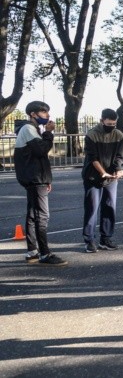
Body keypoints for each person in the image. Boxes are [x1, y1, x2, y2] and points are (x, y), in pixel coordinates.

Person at [14, 101, 67, 266]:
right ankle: (45, 253)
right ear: (33, 114)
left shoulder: (31, 129)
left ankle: (32, 252)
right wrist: (49, 133)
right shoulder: (28, 129)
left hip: (36, 178)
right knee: (42, 216)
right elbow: (41, 150)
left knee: (32, 215)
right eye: (44, 113)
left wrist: (47, 180)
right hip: (35, 178)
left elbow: (38, 155)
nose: (48, 116)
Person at [82, 108, 123, 253]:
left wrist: (117, 170)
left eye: (113, 124)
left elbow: (119, 156)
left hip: (111, 177)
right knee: (92, 208)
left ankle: (106, 238)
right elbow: (93, 158)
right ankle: (89, 240)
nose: (111, 127)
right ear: (102, 120)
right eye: (108, 124)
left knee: (109, 207)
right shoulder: (91, 135)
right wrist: (103, 173)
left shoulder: (119, 135)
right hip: (93, 176)